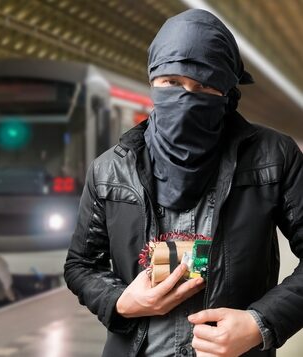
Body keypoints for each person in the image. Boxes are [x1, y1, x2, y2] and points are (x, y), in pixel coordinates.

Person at [64, 9, 303, 357]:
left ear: (226, 91)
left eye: (204, 85)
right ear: (153, 81)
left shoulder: (274, 157)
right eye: (172, 83)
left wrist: (259, 323)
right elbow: (80, 265)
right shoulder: (110, 169)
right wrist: (119, 302)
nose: (187, 96)